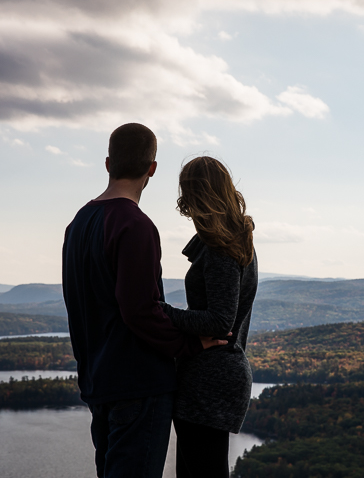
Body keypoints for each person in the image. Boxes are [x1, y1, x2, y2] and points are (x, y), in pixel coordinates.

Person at [62, 124, 227, 478]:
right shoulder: (134, 225)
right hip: (138, 386)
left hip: (99, 384)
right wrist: (191, 344)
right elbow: (140, 310)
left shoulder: (78, 224)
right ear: (152, 168)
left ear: (108, 164)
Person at [159, 156, 259, 478]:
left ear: (195, 197)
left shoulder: (221, 247)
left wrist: (162, 312)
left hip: (210, 379)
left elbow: (220, 321)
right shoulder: (234, 240)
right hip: (213, 377)